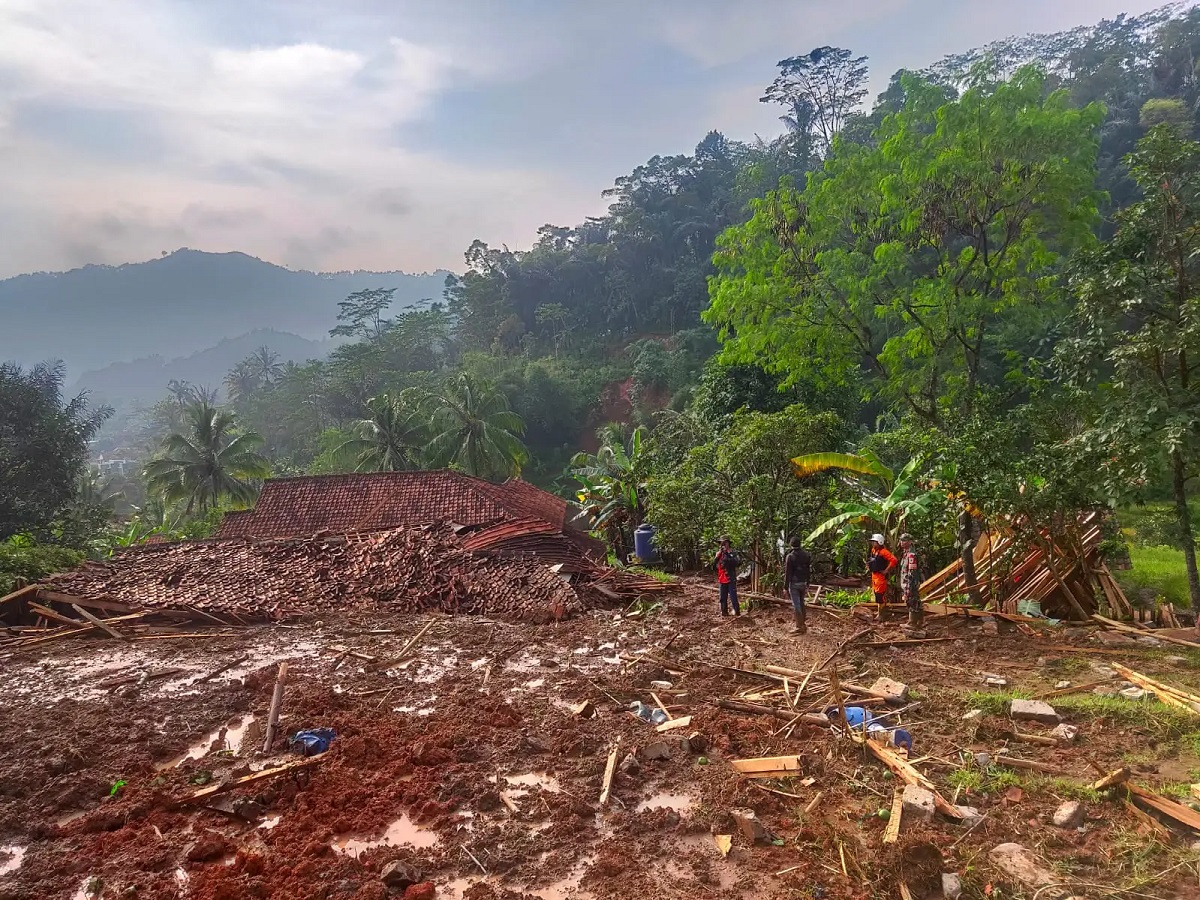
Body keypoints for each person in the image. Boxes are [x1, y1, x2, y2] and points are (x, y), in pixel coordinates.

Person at [784, 537, 811, 635]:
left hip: (794, 583)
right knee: (802, 603)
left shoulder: (790, 557)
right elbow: (808, 570)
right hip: (803, 582)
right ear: (800, 544)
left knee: (796, 605)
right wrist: (808, 582)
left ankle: (799, 627)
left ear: (791, 545)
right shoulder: (806, 555)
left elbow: (788, 573)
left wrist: (785, 587)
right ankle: (803, 625)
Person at [867, 533, 897, 610]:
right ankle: (879, 612)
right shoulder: (873, 550)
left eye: (874, 542)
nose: (873, 543)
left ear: (879, 542)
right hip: (874, 575)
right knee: (876, 594)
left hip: (880, 576)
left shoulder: (884, 552)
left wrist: (886, 570)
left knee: (880, 595)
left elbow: (894, 560)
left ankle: (882, 614)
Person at [898, 533, 922, 628]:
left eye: (904, 540)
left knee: (911, 601)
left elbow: (912, 571)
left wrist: (910, 584)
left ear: (910, 542)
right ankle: (919, 621)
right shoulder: (905, 554)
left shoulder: (911, 555)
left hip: (910, 582)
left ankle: (912, 622)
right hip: (906, 582)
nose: (901, 542)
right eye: (901, 540)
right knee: (913, 600)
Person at [713, 536, 741, 616]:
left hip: (730, 579)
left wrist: (728, 555)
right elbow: (713, 567)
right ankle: (724, 613)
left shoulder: (733, 553)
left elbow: (737, 563)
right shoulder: (719, 554)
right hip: (722, 579)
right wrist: (716, 557)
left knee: (733, 597)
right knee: (722, 598)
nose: (723, 545)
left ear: (728, 543)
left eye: (725, 543)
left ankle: (737, 613)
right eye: (722, 543)